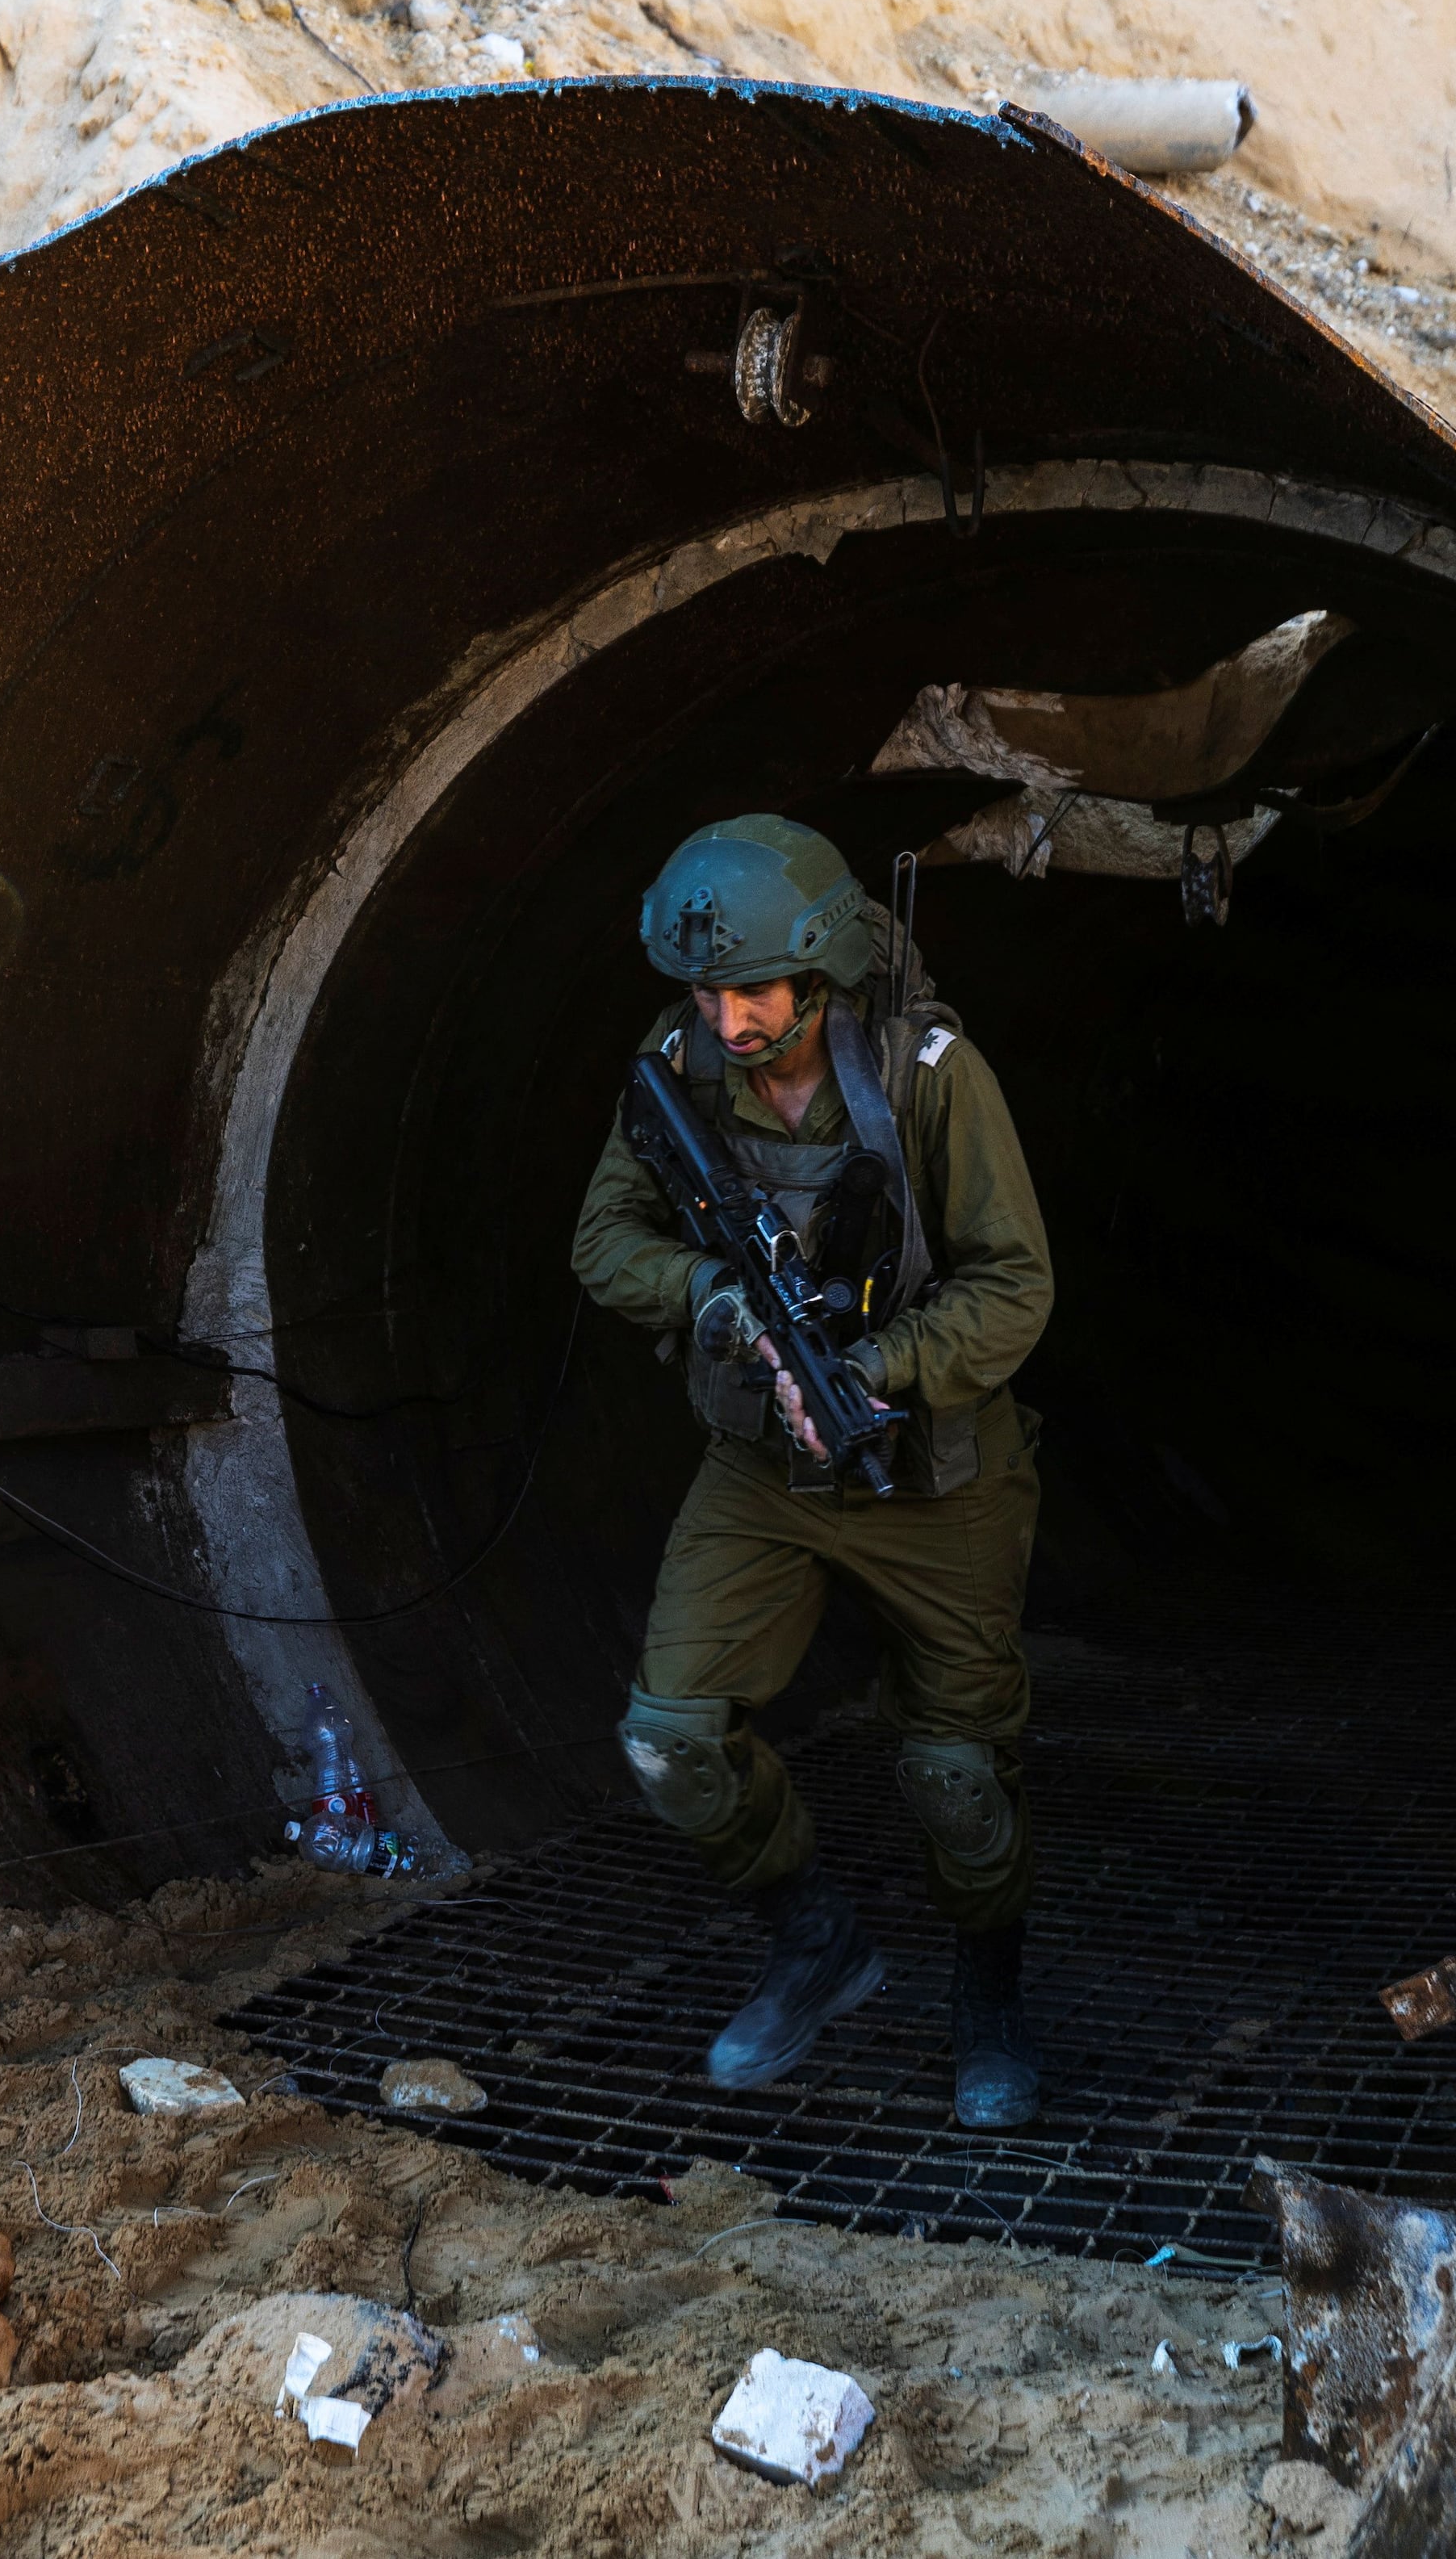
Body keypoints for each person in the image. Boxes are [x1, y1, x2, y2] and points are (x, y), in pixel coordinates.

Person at [567, 812, 1056, 2130]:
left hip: (939, 1469)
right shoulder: (677, 1067)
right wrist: (716, 1300)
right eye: (704, 990)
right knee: (670, 1743)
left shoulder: (928, 1072)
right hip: (762, 1471)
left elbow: (1018, 1289)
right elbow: (604, 1244)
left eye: (750, 990)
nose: (725, 1017)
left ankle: (988, 1989)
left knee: (958, 1768)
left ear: (822, 964)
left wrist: (882, 1366)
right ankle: (814, 1937)